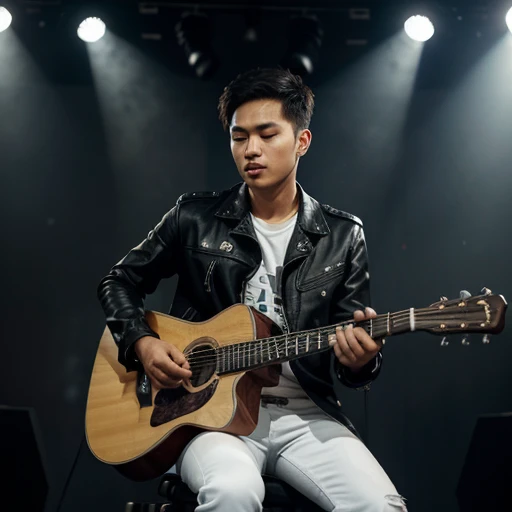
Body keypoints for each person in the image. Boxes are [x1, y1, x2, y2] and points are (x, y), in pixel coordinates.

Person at [97, 67, 407, 512]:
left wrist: (363, 360)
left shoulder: (342, 235)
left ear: (302, 141)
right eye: (239, 137)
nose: (251, 150)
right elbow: (118, 281)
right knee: (232, 492)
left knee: (382, 508)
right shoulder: (194, 217)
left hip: (305, 415)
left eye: (266, 134)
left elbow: (351, 358)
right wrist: (141, 343)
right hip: (206, 417)